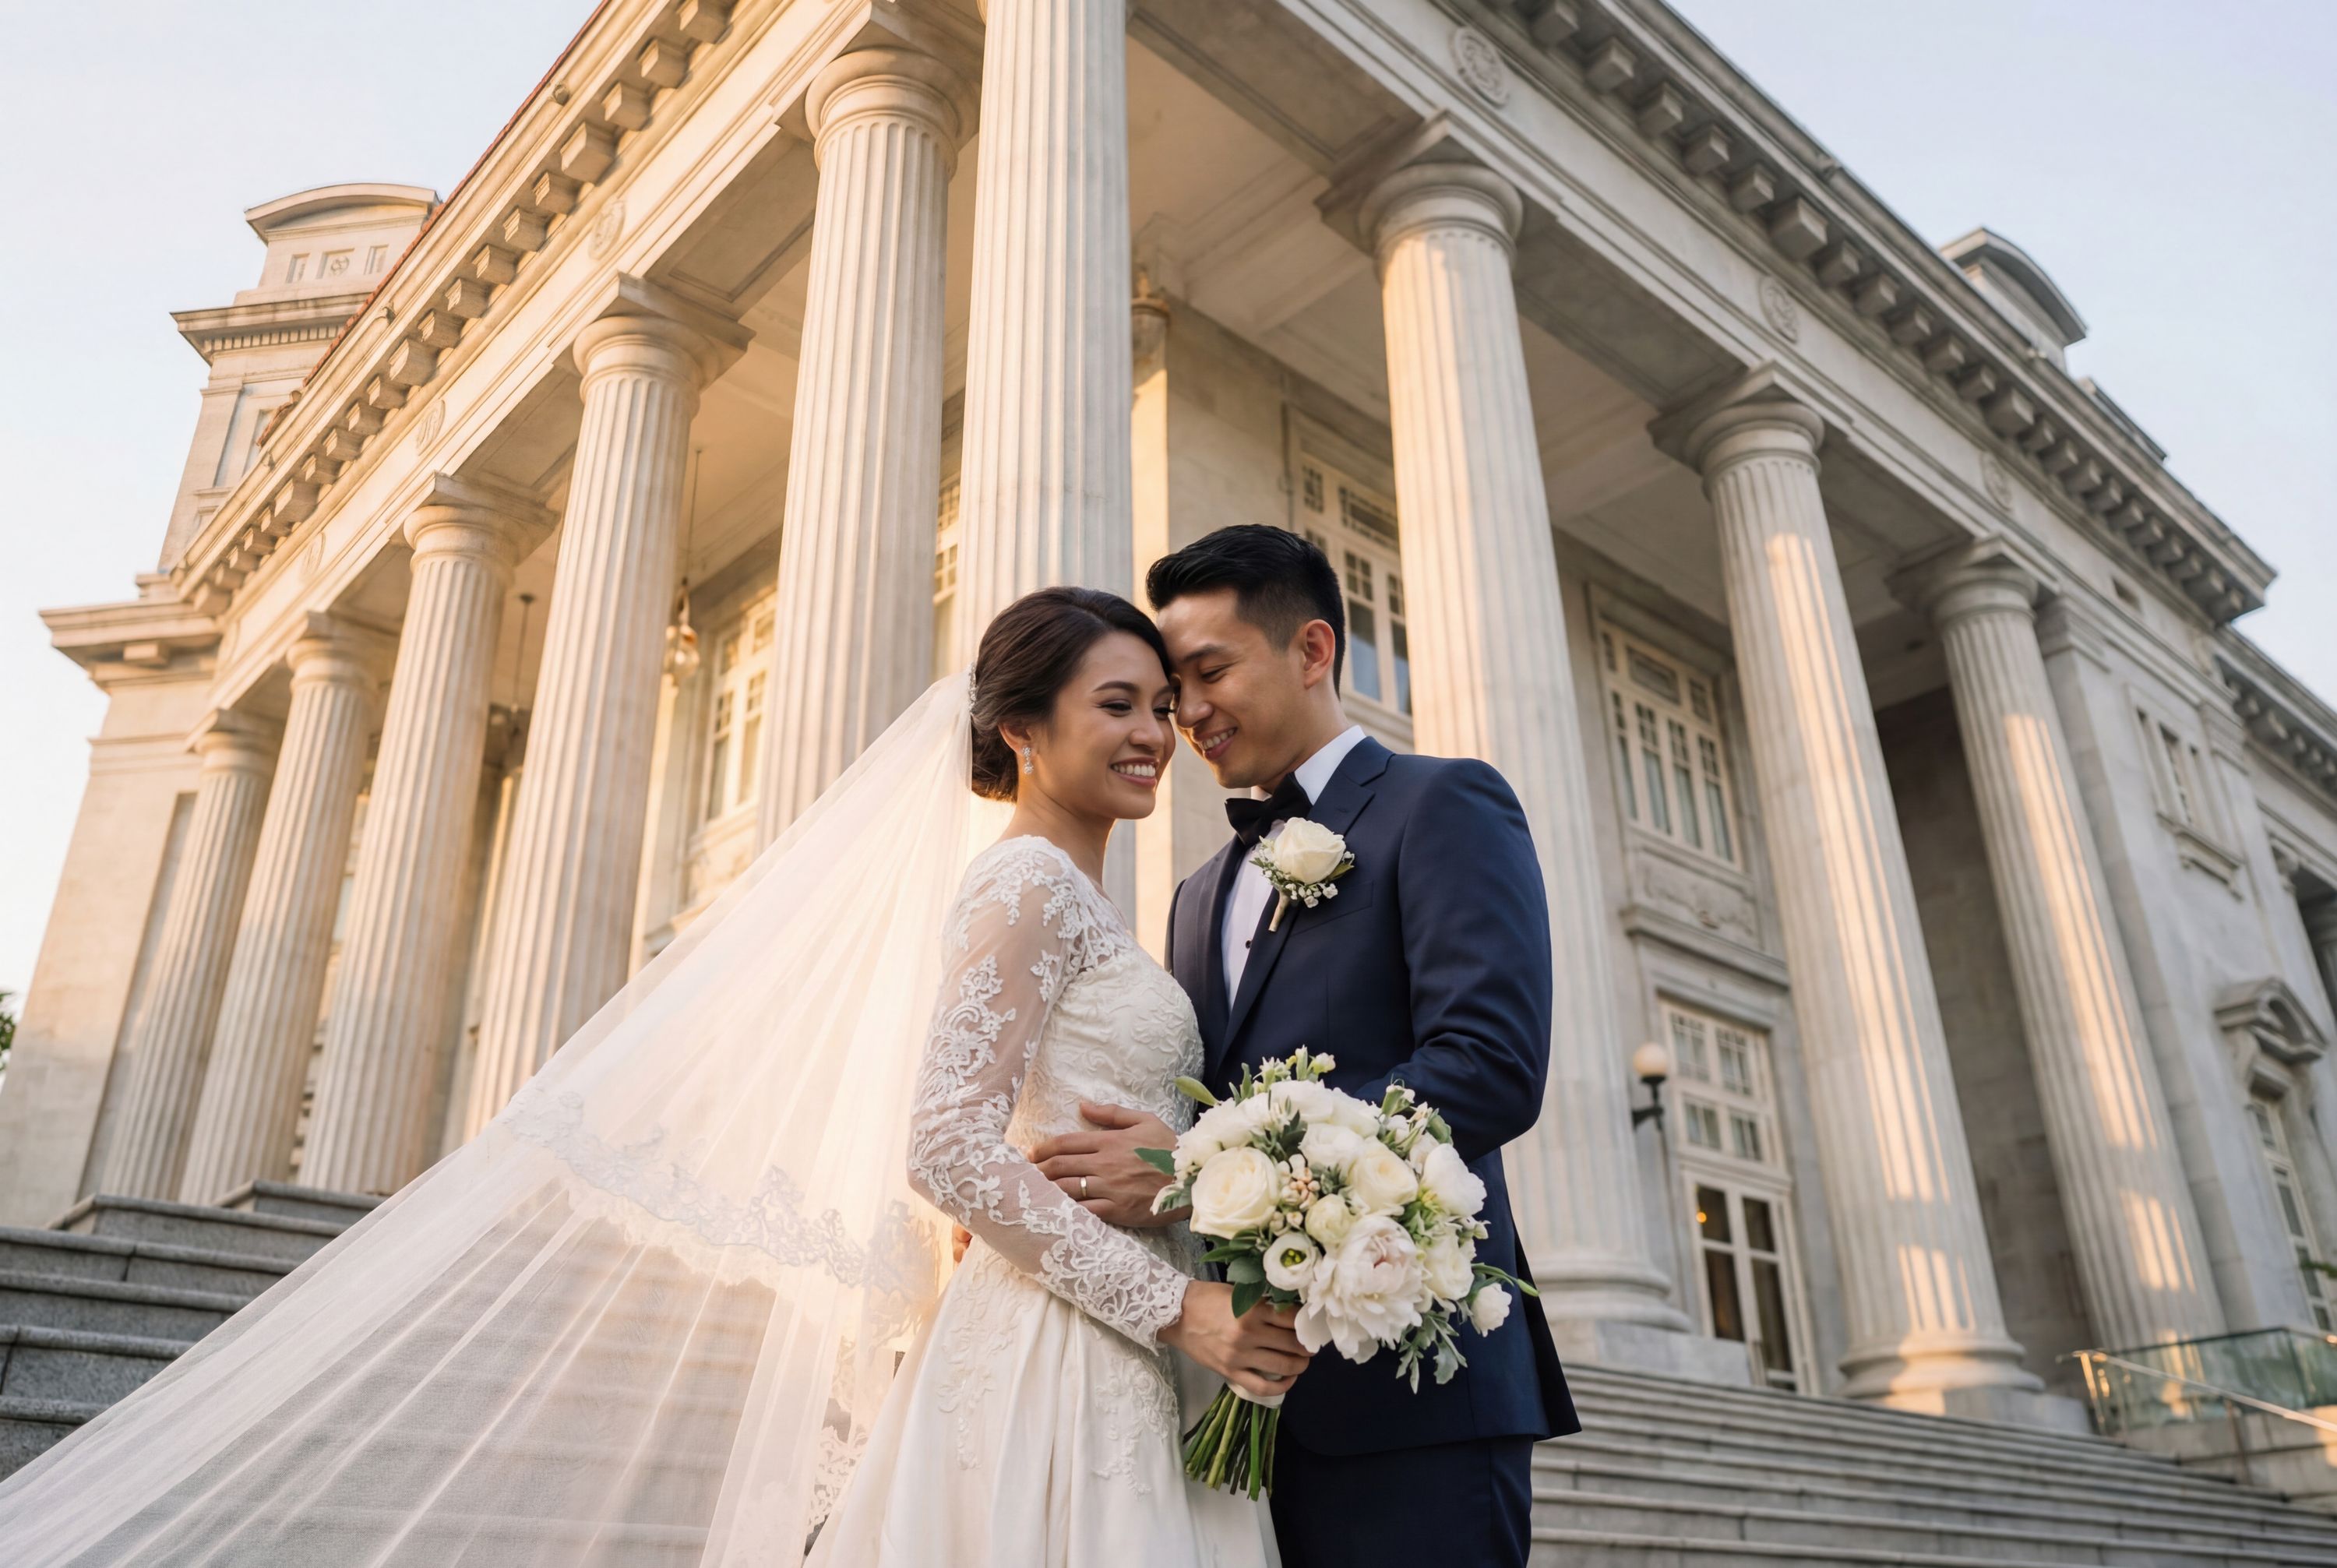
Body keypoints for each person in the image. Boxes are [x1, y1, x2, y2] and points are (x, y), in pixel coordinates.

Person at [0, 587, 1284, 1567]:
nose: (1153, 733)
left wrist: (1187, 1193)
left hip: (1113, 1342)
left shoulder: (1084, 902)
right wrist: (1176, 1306)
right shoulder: (1023, 882)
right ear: (1022, 727)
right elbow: (944, 1144)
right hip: (1069, 1345)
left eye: (1158, 708)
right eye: (1118, 704)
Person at [1031, 526, 1578, 1568]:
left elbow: (1489, 1067)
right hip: (1234, 1407)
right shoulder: (1197, 894)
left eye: (1210, 673)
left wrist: (1198, 1174)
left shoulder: (1445, 803)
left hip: (1415, 1395)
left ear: (1314, 649)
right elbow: (1186, 1100)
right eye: (1170, 693)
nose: (1188, 714)